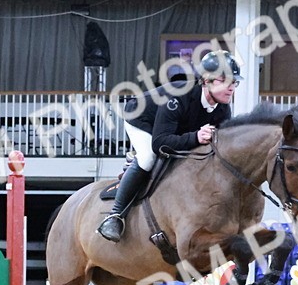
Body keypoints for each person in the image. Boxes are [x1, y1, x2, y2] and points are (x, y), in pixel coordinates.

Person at [97, 50, 242, 242]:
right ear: (206, 81)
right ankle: (115, 216)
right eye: (224, 81)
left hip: (176, 129)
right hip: (142, 120)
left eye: (234, 82)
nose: (231, 87)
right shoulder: (178, 97)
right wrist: (196, 136)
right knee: (149, 157)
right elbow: (160, 143)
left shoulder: (223, 109)